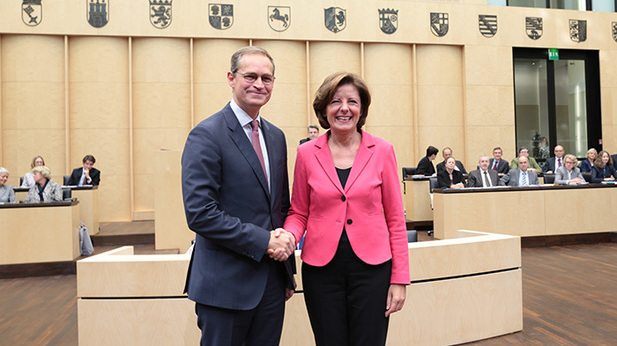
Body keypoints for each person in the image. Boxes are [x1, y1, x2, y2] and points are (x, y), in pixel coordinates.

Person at [283, 72, 409, 346]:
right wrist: (289, 237)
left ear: (361, 109)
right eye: (335, 101)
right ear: (324, 109)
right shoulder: (306, 153)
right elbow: (298, 212)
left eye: (352, 101)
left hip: (373, 271)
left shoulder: (383, 151)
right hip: (321, 271)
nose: (344, 108)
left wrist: (400, 279)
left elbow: (396, 219)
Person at [181, 46, 295, 346]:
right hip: (225, 287)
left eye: (267, 78)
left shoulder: (276, 137)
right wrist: (264, 241)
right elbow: (200, 214)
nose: (260, 84)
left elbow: (279, 208)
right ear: (231, 78)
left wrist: (286, 271)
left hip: (271, 283)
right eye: (251, 76)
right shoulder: (206, 134)